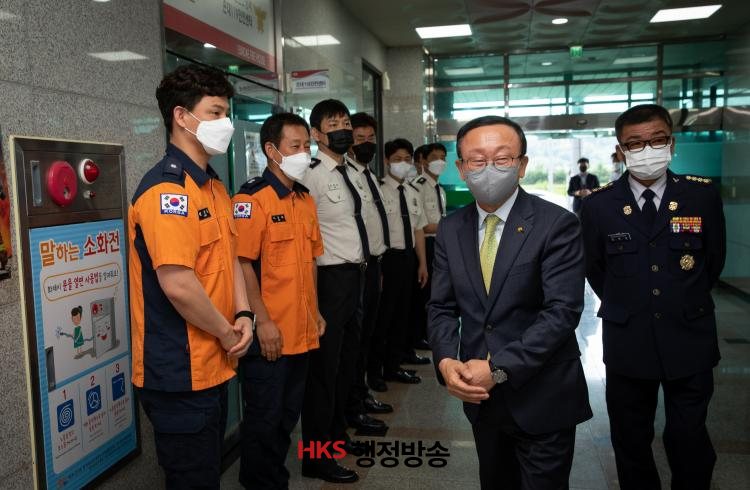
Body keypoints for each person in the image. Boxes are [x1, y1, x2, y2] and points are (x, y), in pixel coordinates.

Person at [428, 115, 592, 490]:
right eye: (477, 160)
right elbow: (440, 306)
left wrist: (499, 368)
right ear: (461, 168)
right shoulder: (451, 228)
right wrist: (446, 360)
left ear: (522, 165)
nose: (489, 168)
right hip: (481, 397)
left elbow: (562, 312)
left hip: (543, 395)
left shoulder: (556, 224)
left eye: (502, 158)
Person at [581, 104, 726, 490]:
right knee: (630, 438)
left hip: (690, 335)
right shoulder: (598, 205)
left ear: (671, 143)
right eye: (635, 143)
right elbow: (595, 269)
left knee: (689, 435)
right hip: (628, 338)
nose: (647, 150)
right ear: (620, 150)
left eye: (657, 140)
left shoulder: (701, 195)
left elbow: (713, 261)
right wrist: (630, 302)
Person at [129, 64, 253, 489]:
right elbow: (178, 285)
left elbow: (230, 258)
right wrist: (226, 332)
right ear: (181, 117)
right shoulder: (167, 191)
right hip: (179, 373)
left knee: (207, 474)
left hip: (215, 362)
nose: (225, 124)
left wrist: (244, 314)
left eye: (226, 114)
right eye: (215, 113)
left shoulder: (213, 187)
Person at [232, 113, 325, 489]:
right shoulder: (251, 199)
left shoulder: (304, 199)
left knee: (286, 418)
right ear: (271, 150)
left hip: (301, 332)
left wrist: (315, 311)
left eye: (307, 146)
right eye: (295, 146)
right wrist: (263, 322)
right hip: (269, 334)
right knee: (265, 421)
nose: (305, 153)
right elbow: (242, 264)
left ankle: (270, 479)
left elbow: (311, 261)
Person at [300, 99, 367, 484]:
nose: (342, 129)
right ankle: (315, 457)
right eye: (333, 123)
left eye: (345, 122)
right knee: (323, 373)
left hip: (354, 277)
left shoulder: (350, 171)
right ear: (316, 133)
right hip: (328, 280)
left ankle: (336, 437)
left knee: (345, 366)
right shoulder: (310, 175)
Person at [343, 112, 394, 432]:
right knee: (354, 342)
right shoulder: (344, 174)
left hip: (374, 265)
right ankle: (352, 406)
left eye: (370, 138)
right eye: (359, 138)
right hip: (353, 270)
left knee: (368, 337)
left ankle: (361, 396)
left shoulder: (370, 175)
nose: (366, 144)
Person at [369, 138, 428, 389]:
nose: (402, 164)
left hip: (408, 259)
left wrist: (422, 263)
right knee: (383, 319)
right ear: (386, 161)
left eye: (406, 159)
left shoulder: (413, 192)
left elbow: (418, 230)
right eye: (396, 160)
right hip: (387, 259)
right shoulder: (379, 190)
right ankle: (375, 372)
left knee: (403, 315)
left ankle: (394, 367)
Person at [410, 142, 448, 355]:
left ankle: (426, 333)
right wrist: (450, 226)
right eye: (434, 157)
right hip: (425, 245)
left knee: (434, 293)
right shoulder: (418, 186)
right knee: (422, 295)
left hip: (439, 244)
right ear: (423, 161)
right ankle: (417, 336)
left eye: (443, 157)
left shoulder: (439, 188)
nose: (440, 162)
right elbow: (422, 225)